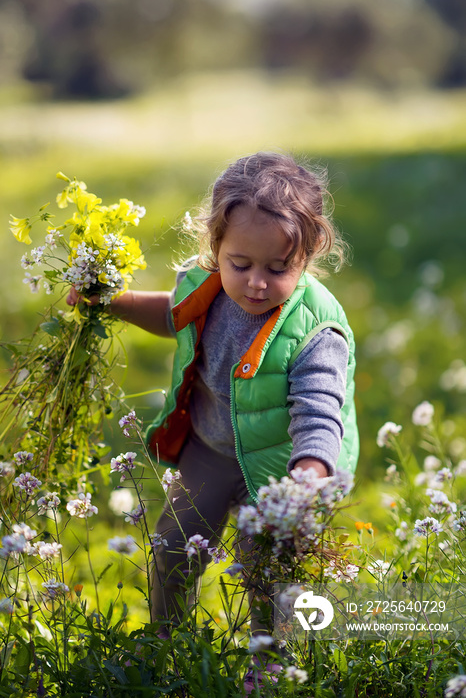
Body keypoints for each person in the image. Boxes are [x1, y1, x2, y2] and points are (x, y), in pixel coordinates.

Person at [67, 150, 359, 653]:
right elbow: (173, 313)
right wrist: (111, 301)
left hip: (281, 465)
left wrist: (309, 474)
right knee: (173, 544)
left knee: (266, 560)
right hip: (211, 445)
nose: (257, 282)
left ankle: (274, 658)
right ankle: (167, 643)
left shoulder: (317, 331)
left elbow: (320, 413)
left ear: (308, 257)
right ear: (215, 247)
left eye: (278, 267)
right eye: (240, 264)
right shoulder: (206, 285)